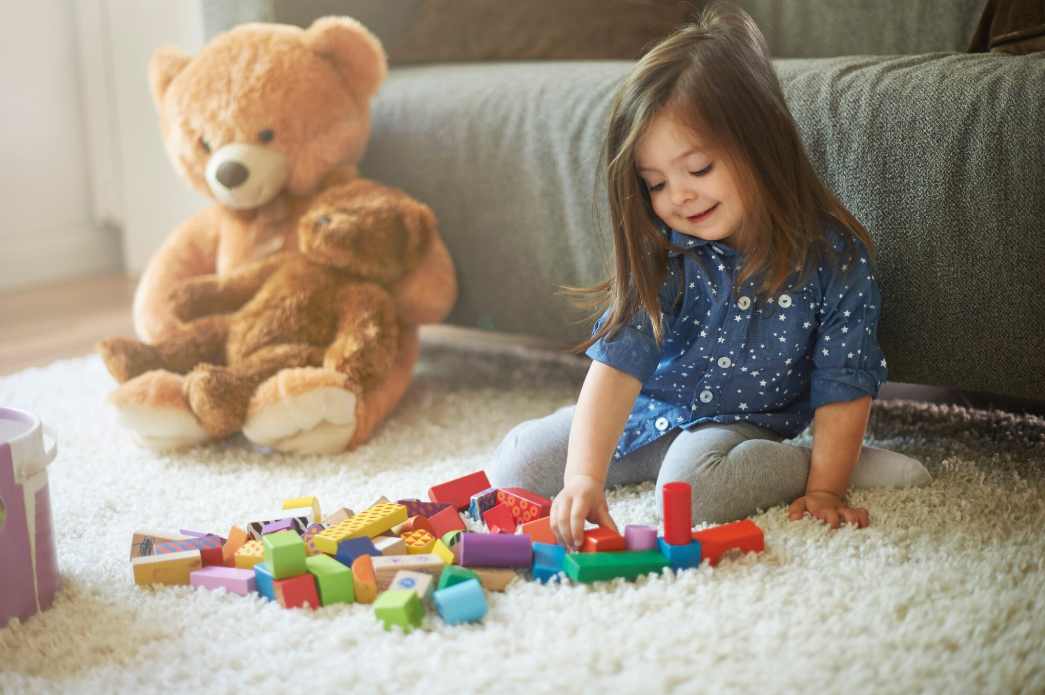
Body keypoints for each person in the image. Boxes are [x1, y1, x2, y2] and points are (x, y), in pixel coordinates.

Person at [487, 2, 930, 550]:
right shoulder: (668, 251)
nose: (680, 196)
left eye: (698, 169)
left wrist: (826, 487)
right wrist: (583, 477)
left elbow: (843, 384)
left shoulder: (834, 259)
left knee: (694, 492)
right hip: (655, 411)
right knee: (517, 464)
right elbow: (617, 369)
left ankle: (818, 463)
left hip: (743, 426)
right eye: (655, 183)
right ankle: (620, 457)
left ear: (761, 146)